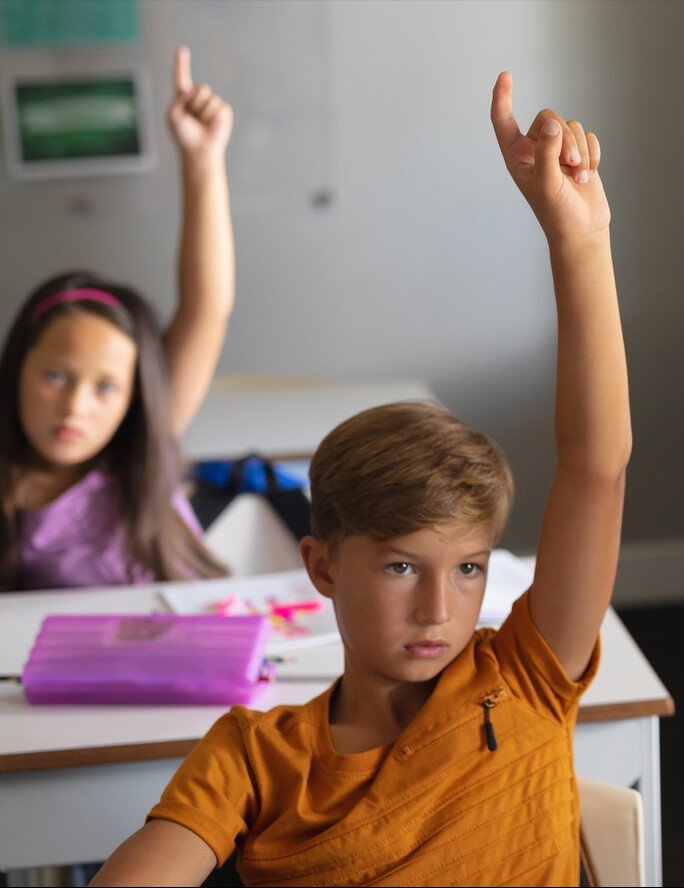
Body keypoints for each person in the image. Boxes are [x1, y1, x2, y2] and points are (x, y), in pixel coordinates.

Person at [88, 71, 629, 887]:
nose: (437, 610)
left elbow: (596, 466)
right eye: (402, 565)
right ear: (322, 566)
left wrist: (580, 242)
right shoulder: (256, 755)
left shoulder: (524, 675)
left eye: (469, 569)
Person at [0, 46, 234, 591]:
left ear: (135, 396)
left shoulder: (140, 448)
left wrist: (202, 161)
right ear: (17, 369)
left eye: (107, 387)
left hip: (196, 658)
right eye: (55, 376)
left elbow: (207, 307)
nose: (76, 406)